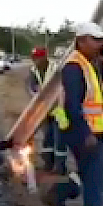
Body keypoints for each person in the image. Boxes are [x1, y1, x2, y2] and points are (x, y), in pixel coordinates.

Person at [42, 22, 103, 206]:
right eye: (95, 40)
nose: (99, 44)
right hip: (83, 132)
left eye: (101, 40)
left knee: (92, 176)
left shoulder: (90, 63)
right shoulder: (74, 66)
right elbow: (73, 105)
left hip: (93, 130)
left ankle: (59, 194)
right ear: (81, 40)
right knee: (94, 179)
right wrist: (86, 133)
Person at [26, 47, 68, 175]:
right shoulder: (33, 70)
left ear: (45, 57)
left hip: (59, 108)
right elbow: (32, 88)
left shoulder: (56, 68)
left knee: (59, 138)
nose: (36, 61)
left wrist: (59, 107)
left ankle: (60, 167)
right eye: (34, 58)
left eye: (38, 58)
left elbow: (62, 88)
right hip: (44, 109)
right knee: (47, 137)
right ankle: (48, 163)